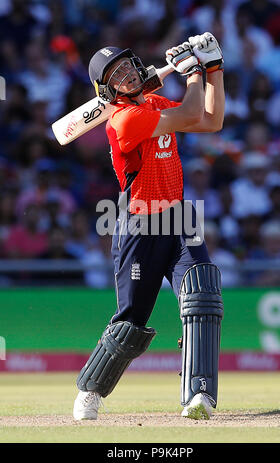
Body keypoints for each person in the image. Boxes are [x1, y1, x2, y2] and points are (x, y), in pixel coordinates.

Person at [73, 32, 225, 421]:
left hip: (178, 216)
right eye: (116, 74)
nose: (126, 73)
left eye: (127, 65)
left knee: (202, 293)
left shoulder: (154, 102)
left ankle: (199, 393)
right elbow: (191, 113)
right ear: (107, 90)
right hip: (139, 225)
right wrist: (194, 72)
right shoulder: (125, 120)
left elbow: (210, 121)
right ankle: (91, 390)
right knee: (132, 321)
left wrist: (214, 70)